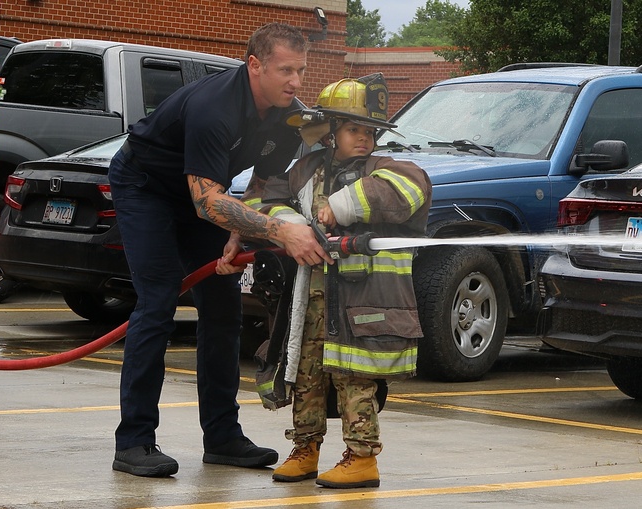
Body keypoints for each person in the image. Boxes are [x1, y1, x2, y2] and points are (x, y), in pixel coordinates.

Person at [107, 22, 333, 478]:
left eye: (301, 70)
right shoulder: (215, 106)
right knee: (158, 301)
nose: (295, 81)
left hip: (205, 198)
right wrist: (278, 232)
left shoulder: (290, 117)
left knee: (224, 308)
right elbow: (206, 200)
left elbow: (262, 184)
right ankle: (133, 442)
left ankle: (223, 437)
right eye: (285, 70)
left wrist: (241, 233)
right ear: (255, 65)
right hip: (146, 187)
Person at [244, 74, 431, 488]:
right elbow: (258, 199)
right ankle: (305, 449)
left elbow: (410, 189)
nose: (364, 138)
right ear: (330, 133)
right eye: (353, 130)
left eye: (370, 131)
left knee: (353, 377)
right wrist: (291, 222)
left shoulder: (385, 168)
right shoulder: (306, 169)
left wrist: (342, 205)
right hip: (310, 296)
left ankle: (362, 458)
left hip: (363, 300)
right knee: (306, 372)